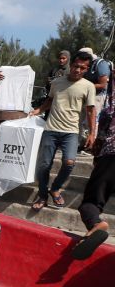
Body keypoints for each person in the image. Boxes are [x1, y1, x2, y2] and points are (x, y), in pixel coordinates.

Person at [29, 51, 97, 210]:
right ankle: (42, 195)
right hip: (51, 128)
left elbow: (90, 111)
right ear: (71, 65)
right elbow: (50, 100)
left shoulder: (88, 86)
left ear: (86, 69)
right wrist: (38, 110)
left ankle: (55, 188)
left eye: (82, 68)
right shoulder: (57, 82)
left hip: (71, 131)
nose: (78, 70)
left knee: (69, 162)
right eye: (76, 66)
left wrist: (92, 133)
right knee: (44, 165)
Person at [72, 87, 115, 259]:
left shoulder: (109, 110)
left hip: (111, 158)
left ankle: (96, 223)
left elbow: (101, 137)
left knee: (90, 203)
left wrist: (97, 159)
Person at [78, 47, 111, 146]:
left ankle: (91, 145)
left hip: (97, 96)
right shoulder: (85, 65)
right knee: (81, 121)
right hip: (84, 96)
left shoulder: (101, 65)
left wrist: (84, 86)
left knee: (92, 121)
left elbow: (103, 84)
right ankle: (81, 143)